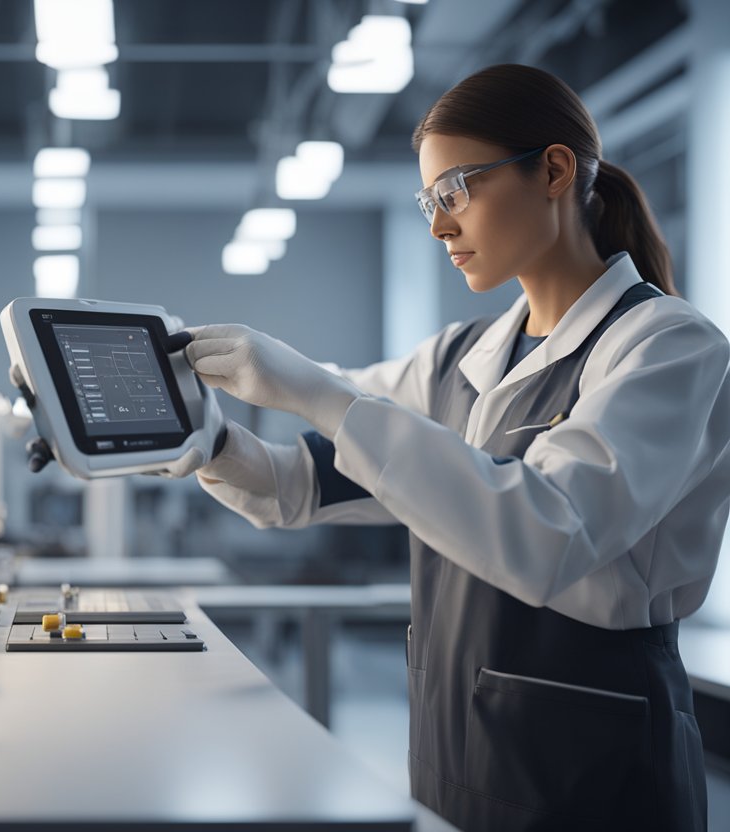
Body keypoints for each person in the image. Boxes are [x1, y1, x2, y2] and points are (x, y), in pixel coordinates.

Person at [176, 64, 728, 831]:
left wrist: (319, 392)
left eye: (456, 191)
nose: (439, 226)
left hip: (597, 769)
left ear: (554, 171)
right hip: (455, 756)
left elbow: (549, 531)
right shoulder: (456, 361)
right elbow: (298, 483)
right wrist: (203, 438)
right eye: (428, 201)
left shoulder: (667, 346)